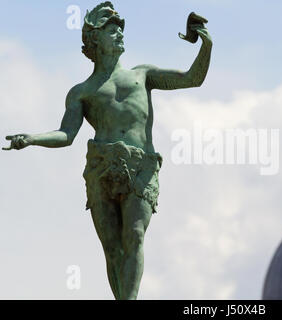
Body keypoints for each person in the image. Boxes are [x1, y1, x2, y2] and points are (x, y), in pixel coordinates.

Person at [3, 1, 212, 300]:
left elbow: (193, 78)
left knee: (135, 237)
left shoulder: (143, 75)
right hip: (100, 168)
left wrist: (206, 45)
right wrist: (32, 138)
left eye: (120, 29)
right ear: (94, 40)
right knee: (112, 248)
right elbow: (66, 134)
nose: (119, 34)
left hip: (140, 167)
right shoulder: (82, 91)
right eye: (111, 30)